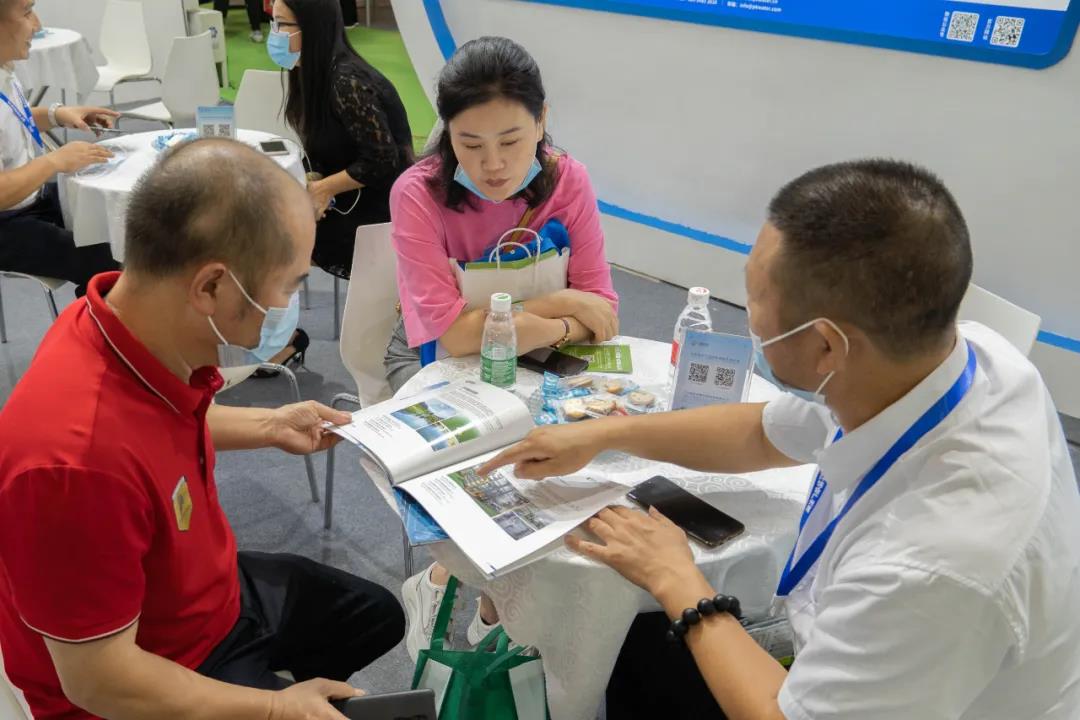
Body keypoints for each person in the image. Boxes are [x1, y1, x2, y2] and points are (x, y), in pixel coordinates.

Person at [478, 159, 1080, 719]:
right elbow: (762, 432)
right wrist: (605, 433)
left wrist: (677, 578)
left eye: (756, 299)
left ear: (826, 345)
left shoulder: (928, 567)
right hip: (881, 669)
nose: (750, 318)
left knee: (638, 657)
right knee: (632, 655)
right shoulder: (945, 360)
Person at [0, 138, 405, 720]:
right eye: (290, 284)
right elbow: (100, 681)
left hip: (205, 597)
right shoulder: (71, 466)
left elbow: (151, 426)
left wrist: (270, 422)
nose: (290, 303)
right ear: (212, 286)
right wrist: (273, 710)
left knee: (374, 616)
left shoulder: (113, 320)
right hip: (148, 670)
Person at [389, 36, 620, 661]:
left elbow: (604, 312)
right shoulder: (418, 193)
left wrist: (546, 325)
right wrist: (560, 308)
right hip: (455, 374)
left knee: (582, 475)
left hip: (551, 364)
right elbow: (454, 336)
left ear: (542, 121)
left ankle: (483, 601)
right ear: (447, 133)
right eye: (470, 144)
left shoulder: (568, 180)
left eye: (512, 141)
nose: (493, 165)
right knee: (500, 482)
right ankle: (463, 591)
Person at [270, 0, 414, 280]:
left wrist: (323, 189)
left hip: (378, 211)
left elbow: (383, 160)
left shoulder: (346, 82)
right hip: (348, 198)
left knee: (271, 238)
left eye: (282, 25)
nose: (274, 34)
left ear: (313, 28)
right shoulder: (311, 71)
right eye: (273, 23)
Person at [0, 0, 119, 297]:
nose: (37, 25)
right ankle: (98, 322)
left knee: (112, 221)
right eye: (27, 13)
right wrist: (54, 161)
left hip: (30, 200)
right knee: (107, 260)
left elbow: (12, 118)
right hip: (6, 224)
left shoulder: (5, 71)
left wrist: (57, 114)